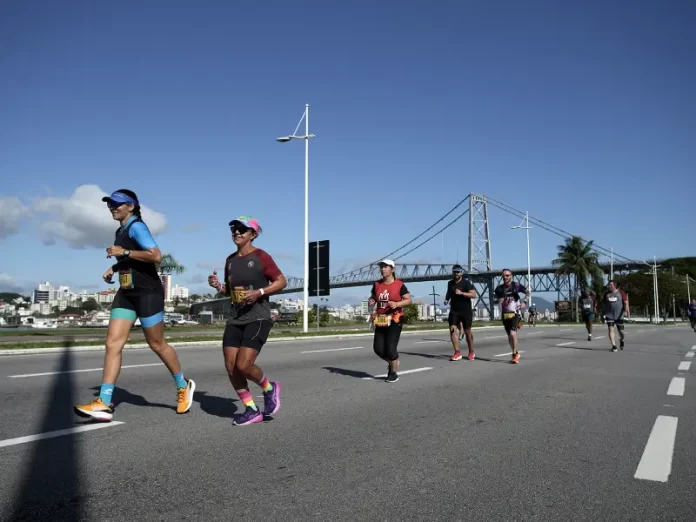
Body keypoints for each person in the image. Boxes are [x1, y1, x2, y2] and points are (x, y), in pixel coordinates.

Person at [74, 189, 195, 421]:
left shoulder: (137, 227)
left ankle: (183, 384)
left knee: (157, 344)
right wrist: (116, 267)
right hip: (127, 292)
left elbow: (155, 255)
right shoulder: (120, 230)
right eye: (110, 204)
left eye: (117, 203)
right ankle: (104, 401)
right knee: (112, 343)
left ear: (131, 206)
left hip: (148, 293)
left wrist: (124, 251)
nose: (112, 207)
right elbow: (131, 260)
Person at [208, 216, 286, 426]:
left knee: (244, 365)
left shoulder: (261, 257)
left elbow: (281, 281)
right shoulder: (230, 260)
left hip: (258, 316)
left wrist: (260, 292)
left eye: (242, 230)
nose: (237, 232)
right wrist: (218, 286)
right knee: (231, 367)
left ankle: (270, 388)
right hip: (236, 317)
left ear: (253, 234)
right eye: (234, 229)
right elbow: (231, 291)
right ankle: (251, 409)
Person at [368, 259, 412, 382]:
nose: (383, 269)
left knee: (390, 348)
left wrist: (397, 303)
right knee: (378, 349)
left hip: (395, 318)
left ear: (392, 269)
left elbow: (408, 300)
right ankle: (393, 362)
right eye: (381, 267)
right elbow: (373, 297)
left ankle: (393, 372)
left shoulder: (399, 285)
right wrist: (372, 301)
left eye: (386, 267)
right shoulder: (377, 284)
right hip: (381, 319)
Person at [493, 269, 529, 364]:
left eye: (508, 275)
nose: (506, 277)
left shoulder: (516, 285)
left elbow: (528, 292)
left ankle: (514, 355)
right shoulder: (499, 289)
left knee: (513, 333)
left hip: (515, 312)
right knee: (509, 336)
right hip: (505, 314)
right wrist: (498, 301)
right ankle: (516, 352)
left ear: (511, 276)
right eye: (504, 275)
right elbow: (494, 300)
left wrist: (524, 302)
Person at [444, 264, 476, 361]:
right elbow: (449, 292)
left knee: (467, 332)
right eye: (454, 271)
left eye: (458, 272)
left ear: (462, 272)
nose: (456, 273)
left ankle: (471, 351)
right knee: (452, 329)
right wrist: (446, 299)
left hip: (466, 311)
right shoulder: (450, 283)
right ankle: (457, 352)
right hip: (454, 310)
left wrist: (462, 293)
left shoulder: (466, 283)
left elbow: (473, 294)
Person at [602, 280, 629, 352]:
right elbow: (604, 305)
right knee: (611, 329)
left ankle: (622, 340)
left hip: (619, 315)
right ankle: (614, 346)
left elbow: (625, 302)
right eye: (608, 285)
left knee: (621, 332)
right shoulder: (606, 294)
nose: (609, 286)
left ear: (614, 285)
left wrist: (625, 311)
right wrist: (603, 314)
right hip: (609, 315)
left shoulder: (621, 292)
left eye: (610, 285)